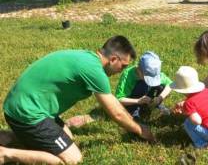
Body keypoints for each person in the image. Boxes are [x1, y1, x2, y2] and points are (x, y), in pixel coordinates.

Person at [0, 36, 155, 165]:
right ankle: (5, 154)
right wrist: (141, 131)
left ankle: (9, 136)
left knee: (68, 137)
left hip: (22, 106)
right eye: (123, 66)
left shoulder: (88, 59)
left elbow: (114, 103)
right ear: (113, 59)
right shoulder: (94, 71)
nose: (122, 70)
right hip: (27, 114)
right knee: (72, 159)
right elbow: (117, 114)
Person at [66, 51, 172, 127]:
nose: (150, 80)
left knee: (160, 86)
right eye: (147, 78)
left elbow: (170, 84)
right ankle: (135, 113)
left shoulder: (154, 73)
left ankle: (155, 106)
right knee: (136, 119)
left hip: (148, 98)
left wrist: (160, 98)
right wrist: (138, 101)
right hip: (133, 102)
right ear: (139, 69)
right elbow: (119, 100)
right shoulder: (128, 76)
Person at [171, 66, 208, 148]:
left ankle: (202, 145)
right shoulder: (206, 91)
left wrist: (187, 112)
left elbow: (197, 121)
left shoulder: (189, 103)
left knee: (188, 123)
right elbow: (202, 103)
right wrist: (185, 105)